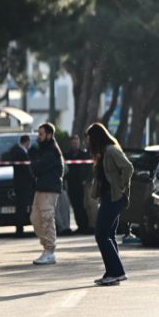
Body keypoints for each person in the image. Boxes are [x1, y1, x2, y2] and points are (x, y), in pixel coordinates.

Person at [88, 122, 133, 285]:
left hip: (114, 198)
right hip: (108, 197)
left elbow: (128, 168)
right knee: (109, 234)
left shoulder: (111, 150)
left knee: (101, 234)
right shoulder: (103, 153)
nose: (88, 142)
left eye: (89, 138)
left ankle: (118, 272)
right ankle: (112, 272)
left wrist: (121, 187)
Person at [29, 122, 64, 265]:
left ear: (49, 135)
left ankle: (50, 251)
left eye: (41, 134)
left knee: (47, 218)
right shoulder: (43, 149)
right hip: (41, 188)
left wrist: (34, 160)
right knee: (35, 218)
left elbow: (38, 169)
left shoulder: (51, 151)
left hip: (49, 189)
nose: (39, 137)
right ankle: (46, 248)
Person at [3, 134, 33, 235]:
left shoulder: (19, 151)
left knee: (21, 207)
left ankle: (20, 227)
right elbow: (26, 169)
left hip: (21, 184)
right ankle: (20, 229)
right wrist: (32, 177)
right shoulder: (20, 152)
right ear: (27, 142)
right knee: (21, 207)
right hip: (22, 185)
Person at [65, 134, 92, 234]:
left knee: (83, 205)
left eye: (76, 142)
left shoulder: (84, 155)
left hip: (82, 184)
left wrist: (86, 180)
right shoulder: (67, 155)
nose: (75, 144)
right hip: (72, 184)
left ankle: (86, 226)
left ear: (79, 143)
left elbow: (89, 168)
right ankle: (80, 226)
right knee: (75, 206)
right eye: (73, 143)